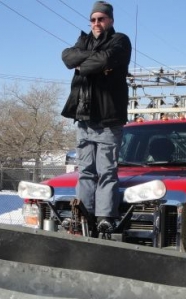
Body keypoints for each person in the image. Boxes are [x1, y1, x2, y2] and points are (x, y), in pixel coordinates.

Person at [61, 1, 132, 233]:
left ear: (110, 20)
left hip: (108, 121)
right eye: (93, 19)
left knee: (106, 172)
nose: (96, 23)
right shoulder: (84, 40)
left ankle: (105, 217)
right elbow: (67, 57)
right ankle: (83, 215)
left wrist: (86, 63)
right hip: (83, 118)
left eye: (101, 19)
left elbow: (104, 60)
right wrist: (90, 59)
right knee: (86, 172)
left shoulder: (120, 40)